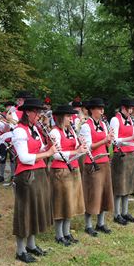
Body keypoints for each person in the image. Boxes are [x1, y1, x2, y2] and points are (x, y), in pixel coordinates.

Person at [11, 98, 56, 263]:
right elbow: (23, 157)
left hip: (39, 173)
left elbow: (37, 148)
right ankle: (20, 250)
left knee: (36, 209)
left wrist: (48, 146)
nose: (39, 115)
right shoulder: (19, 130)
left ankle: (31, 244)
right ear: (28, 112)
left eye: (40, 112)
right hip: (27, 176)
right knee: (25, 211)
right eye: (36, 112)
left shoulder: (34, 129)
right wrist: (48, 153)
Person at [49, 104, 86, 246]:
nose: (71, 119)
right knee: (61, 203)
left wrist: (81, 148)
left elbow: (76, 148)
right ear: (61, 117)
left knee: (70, 202)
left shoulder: (71, 131)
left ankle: (67, 232)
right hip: (60, 171)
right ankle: (59, 235)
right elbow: (56, 154)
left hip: (73, 168)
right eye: (68, 116)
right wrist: (75, 152)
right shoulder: (54, 132)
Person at [79, 98, 114, 236]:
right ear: (92, 110)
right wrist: (104, 140)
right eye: (99, 109)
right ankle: (88, 225)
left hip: (104, 160)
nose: (102, 111)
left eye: (103, 109)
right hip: (92, 162)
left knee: (104, 193)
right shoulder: (86, 126)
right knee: (92, 194)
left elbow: (106, 144)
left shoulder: (103, 124)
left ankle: (101, 223)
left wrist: (109, 141)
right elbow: (88, 147)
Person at [110, 98, 134, 225]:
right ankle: (116, 214)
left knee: (128, 184)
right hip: (121, 155)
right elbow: (114, 140)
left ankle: (125, 212)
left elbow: (133, 138)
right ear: (124, 108)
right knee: (119, 185)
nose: (132, 111)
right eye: (130, 108)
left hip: (131, 153)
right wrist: (131, 137)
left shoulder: (130, 120)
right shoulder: (115, 119)